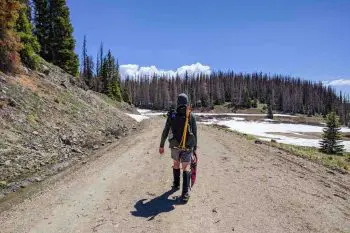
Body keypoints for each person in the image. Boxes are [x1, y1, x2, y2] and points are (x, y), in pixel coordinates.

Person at [159, 93, 197, 202]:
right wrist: (194, 149)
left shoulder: (172, 115)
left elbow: (165, 131)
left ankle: (176, 185)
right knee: (185, 167)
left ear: (177, 102)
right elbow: (195, 133)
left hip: (175, 145)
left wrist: (161, 145)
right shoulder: (191, 116)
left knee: (176, 164)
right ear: (187, 102)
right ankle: (185, 194)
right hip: (187, 146)